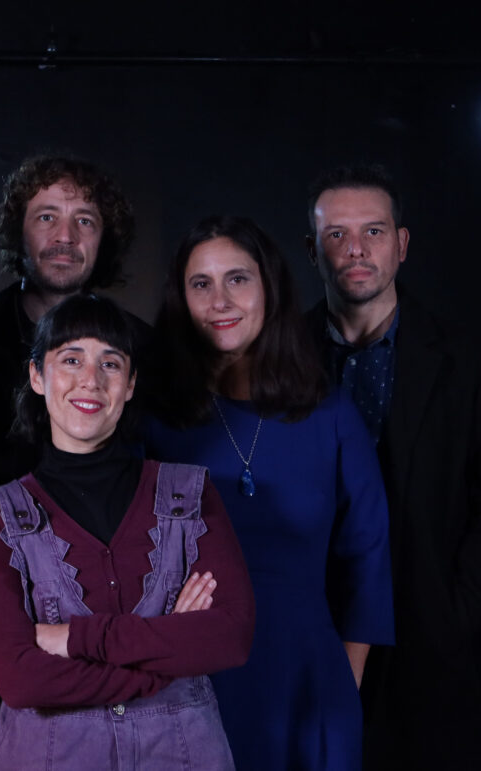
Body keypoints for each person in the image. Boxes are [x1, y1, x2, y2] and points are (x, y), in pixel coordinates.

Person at [304, 165, 481, 771]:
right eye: (337, 235)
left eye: (374, 231)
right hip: (314, 630)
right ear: (312, 250)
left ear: (402, 244)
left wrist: (455, 612)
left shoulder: (467, 361)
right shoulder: (280, 359)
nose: (356, 249)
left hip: (430, 642)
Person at [143, 215, 394, 771]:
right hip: (191, 686)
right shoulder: (154, 421)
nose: (220, 301)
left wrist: (340, 682)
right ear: (181, 300)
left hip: (311, 682)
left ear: (270, 288)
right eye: (201, 283)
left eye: (238, 278)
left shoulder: (330, 415)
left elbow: (368, 558)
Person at [0, 294, 254, 770]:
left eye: (111, 363)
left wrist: (75, 639)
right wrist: (161, 665)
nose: (91, 380)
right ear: (37, 376)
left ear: (131, 383)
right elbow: (19, 679)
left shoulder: (191, 494)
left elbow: (229, 637)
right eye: (71, 359)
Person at [0, 153, 150, 493]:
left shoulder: (145, 348)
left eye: (85, 221)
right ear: (19, 232)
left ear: (104, 239)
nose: (65, 236)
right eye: (47, 217)